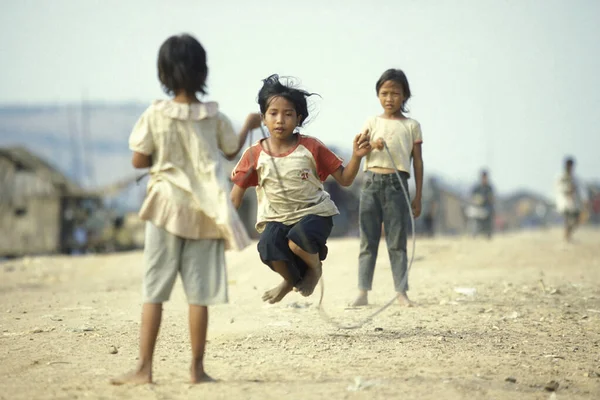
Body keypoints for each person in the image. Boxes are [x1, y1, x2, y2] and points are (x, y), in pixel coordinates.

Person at [111, 33, 261, 385]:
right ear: (203, 71)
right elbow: (229, 150)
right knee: (200, 294)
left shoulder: (155, 114)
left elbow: (138, 159)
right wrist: (248, 126)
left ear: (164, 73)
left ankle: (144, 370)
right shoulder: (214, 116)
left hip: (165, 206)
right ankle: (196, 370)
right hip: (206, 211)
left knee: (154, 290)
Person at [230, 74, 371, 304]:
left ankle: (314, 270)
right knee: (267, 246)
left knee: (297, 240)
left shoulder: (311, 147)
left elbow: (345, 179)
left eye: (288, 114)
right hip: (277, 219)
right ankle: (290, 280)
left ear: (299, 118)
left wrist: (356, 156)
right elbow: (235, 198)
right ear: (263, 118)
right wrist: (221, 228)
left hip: (315, 214)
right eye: (273, 113)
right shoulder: (255, 155)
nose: (280, 120)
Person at [351, 68, 424, 308]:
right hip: (371, 183)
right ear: (378, 95)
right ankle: (362, 292)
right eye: (384, 93)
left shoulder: (412, 125)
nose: (389, 98)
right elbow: (360, 147)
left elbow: (418, 162)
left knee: (397, 242)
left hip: (398, 185)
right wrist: (372, 144)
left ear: (405, 96)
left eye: (395, 93)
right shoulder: (372, 122)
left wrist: (418, 196)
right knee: (368, 241)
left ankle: (401, 293)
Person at [556, 157, 587, 242]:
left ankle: (568, 234)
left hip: (575, 203)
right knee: (567, 219)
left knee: (577, 220)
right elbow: (558, 188)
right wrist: (567, 191)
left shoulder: (575, 178)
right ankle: (567, 236)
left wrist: (584, 200)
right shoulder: (561, 177)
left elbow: (581, 190)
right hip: (564, 202)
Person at [468, 169, 495, 239]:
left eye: (485, 177)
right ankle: (473, 234)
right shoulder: (477, 188)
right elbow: (472, 198)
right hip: (477, 208)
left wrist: (486, 199)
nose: (484, 179)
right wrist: (476, 200)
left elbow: (492, 199)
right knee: (472, 214)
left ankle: (488, 234)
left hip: (487, 208)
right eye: (483, 177)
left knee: (489, 214)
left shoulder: (489, 188)